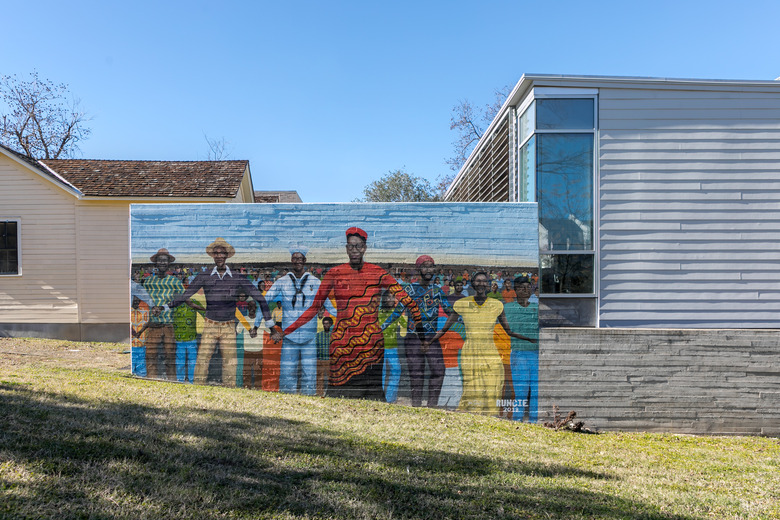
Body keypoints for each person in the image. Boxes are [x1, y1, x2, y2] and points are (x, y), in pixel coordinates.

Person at [281, 227, 421, 400]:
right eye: (350, 246)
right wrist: (286, 331)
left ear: (364, 248)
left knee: (372, 399)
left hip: (371, 346)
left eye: (358, 246)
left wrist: (419, 324)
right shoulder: (334, 273)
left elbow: (407, 300)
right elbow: (313, 308)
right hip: (342, 345)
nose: (354, 250)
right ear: (346, 248)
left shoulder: (378, 273)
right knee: (339, 398)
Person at [425, 272, 536, 416]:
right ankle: (472, 417)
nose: (481, 284)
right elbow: (445, 328)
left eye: (484, 281)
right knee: (472, 386)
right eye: (478, 281)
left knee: (494, 380)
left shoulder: (496, 305)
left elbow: (509, 331)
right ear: (472, 284)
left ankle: (490, 415)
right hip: (470, 351)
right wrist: (429, 341)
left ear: (488, 284)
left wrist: (529, 339)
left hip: (489, 350)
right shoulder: (463, 304)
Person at [169, 237, 275, 387]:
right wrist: (166, 307)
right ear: (213, 255)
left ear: (226, 256)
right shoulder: (205, 276)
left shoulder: (237, 278)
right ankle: (197, 390)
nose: (219, 256)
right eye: (216, 253)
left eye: (222, 253)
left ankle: (229, 392)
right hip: (210, 325)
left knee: (230, 363)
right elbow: (186, 295)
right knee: (202, 361)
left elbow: (260, 299)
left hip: (228, 326)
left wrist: (271, 326)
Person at [250, 247, 337, 395]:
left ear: (305, 261)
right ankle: (287, 403)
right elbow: (264, 302)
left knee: (309, 375)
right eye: (295, 259)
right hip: (289, 338)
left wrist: (347, 319)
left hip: (309, 337)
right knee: (287, 374)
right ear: (291, 261)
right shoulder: (282, 282)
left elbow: (329, 305)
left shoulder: (315, 282)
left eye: (300, 259)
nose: (297, 261)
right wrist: (257, 325)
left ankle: (308, 403)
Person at [382, 255, 450, 407]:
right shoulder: (408, 289)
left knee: (439, 371)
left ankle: (432, 407)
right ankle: (417, 408)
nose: (428, 269)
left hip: (432, 337)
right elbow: (397, 312)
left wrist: (463, 319)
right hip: (413, 337)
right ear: (419, 269)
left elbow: (449, 311)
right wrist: (381, 327)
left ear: (434, 270)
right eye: (424, 266)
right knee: (416, 374)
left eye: (431, 266)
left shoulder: (437, 291)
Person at [143, 248, 185, 380]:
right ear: (155, 263)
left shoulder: (174, 282)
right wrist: (152, 307)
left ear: (168, 264)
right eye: (159, 260)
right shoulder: (148, 282)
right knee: (150, 356)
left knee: (170, 356)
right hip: (153, 325)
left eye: (165, 261)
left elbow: (182, 298)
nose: (162, 263)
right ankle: (151, 381)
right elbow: (144, 299)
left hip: (168, 325)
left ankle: (172, 382)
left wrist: (165, 308)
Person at [503, 276, 539, 422]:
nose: (526, 289)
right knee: (521, 391)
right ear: (516, 290)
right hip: (519, 353)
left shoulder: (537, 308)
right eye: (522, 287)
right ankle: (517, 420)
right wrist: (529, 338)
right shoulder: (508, 308)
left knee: (536, 391)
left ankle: (534, 421)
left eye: (528, 287)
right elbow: (509, 330)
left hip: (536, 353)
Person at [378, 289, 406, 403]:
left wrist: (403, 315)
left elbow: (404, 330)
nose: (391, 299)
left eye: (393, 297)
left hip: (393, 348)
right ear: (384, 299)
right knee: (381, 373)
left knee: (396, 371)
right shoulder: (378, 313)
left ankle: (390, 399)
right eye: (388, 297)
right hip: (380, 348)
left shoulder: (397, 313)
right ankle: (379, 397)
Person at [315, 316, 333, 397]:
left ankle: (331, 393)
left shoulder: (333, 335)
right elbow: (316, 347)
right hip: (321, 359)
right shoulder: (319, 335)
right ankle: (319, 393)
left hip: (330, 360)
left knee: (331, 378)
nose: (325, 325)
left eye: (327, 324)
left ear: (330, 324)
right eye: (324, 324)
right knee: (319, 378)